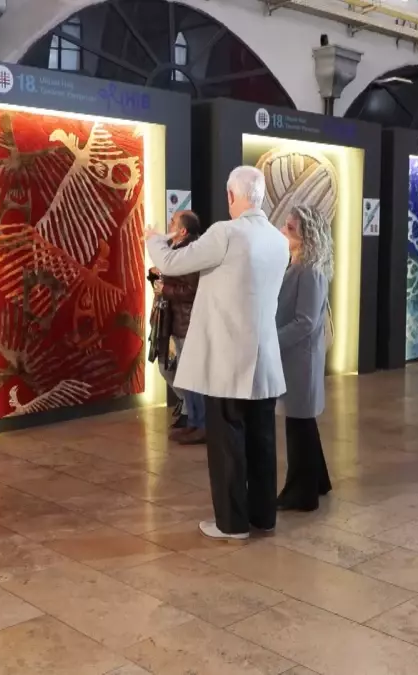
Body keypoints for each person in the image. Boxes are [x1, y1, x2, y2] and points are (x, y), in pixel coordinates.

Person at [145, 165, 290, 540]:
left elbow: (172, 263)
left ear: (231, 195)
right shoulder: (277, 239)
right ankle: (263, 517)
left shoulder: (226, 232)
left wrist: (154, 239)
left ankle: (232, 523)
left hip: (228, 360)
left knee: (227, 443)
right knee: (262, 442)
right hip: (265, 359)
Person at [274, 206, 333, 512]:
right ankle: (318, 481)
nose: (284, 231)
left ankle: (301, 492)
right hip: (297, 358)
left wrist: (272, 341)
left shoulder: (308, 269)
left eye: (291, 228)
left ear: (307, 235)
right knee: (302, 422)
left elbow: (306, 321)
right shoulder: (300, 264)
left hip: (300, 359)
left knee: (299, 425)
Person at [149, 210, 207, 444]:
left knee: (190, 376)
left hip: (187, 323)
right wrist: (158, 278)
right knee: (182, 374)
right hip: (176, 322)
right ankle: (192, 421)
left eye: (173, 221)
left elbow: (192, 291)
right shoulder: (177, 251)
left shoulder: (190, 254)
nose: (169, 223)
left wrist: (165, 289)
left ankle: (199, 423)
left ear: (182, 230)